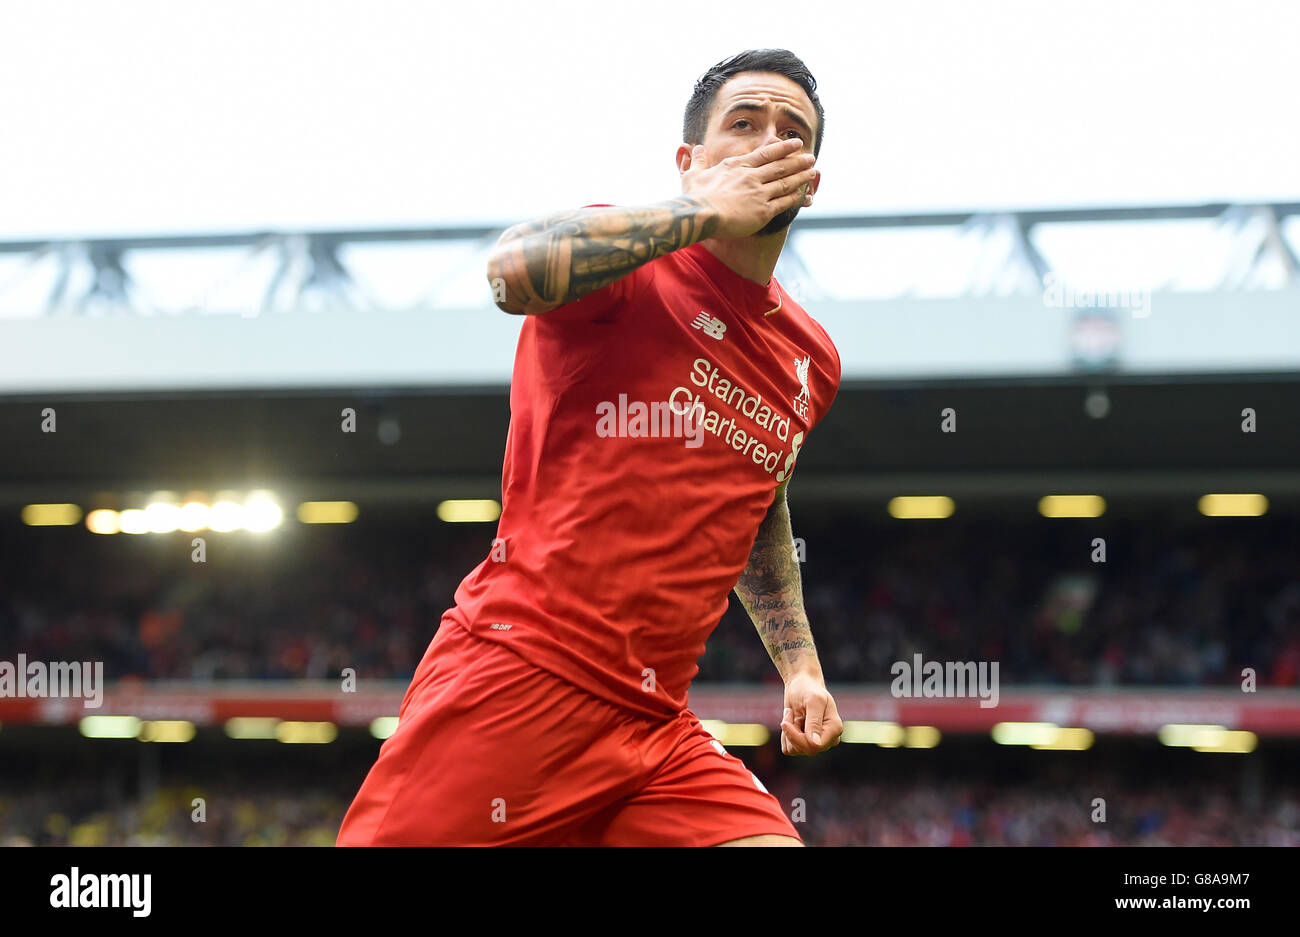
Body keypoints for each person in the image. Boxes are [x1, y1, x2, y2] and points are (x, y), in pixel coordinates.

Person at [338, 48, 842, 847]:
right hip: (519, 677)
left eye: (791, 132)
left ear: (811, 181)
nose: (765, 141)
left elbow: (759, 494)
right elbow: (513, 272)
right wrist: (705, 211)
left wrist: (800, 664)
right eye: (741, 124)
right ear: (691, 160)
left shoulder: (811, 357)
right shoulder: (635, 268)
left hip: (656, 724)